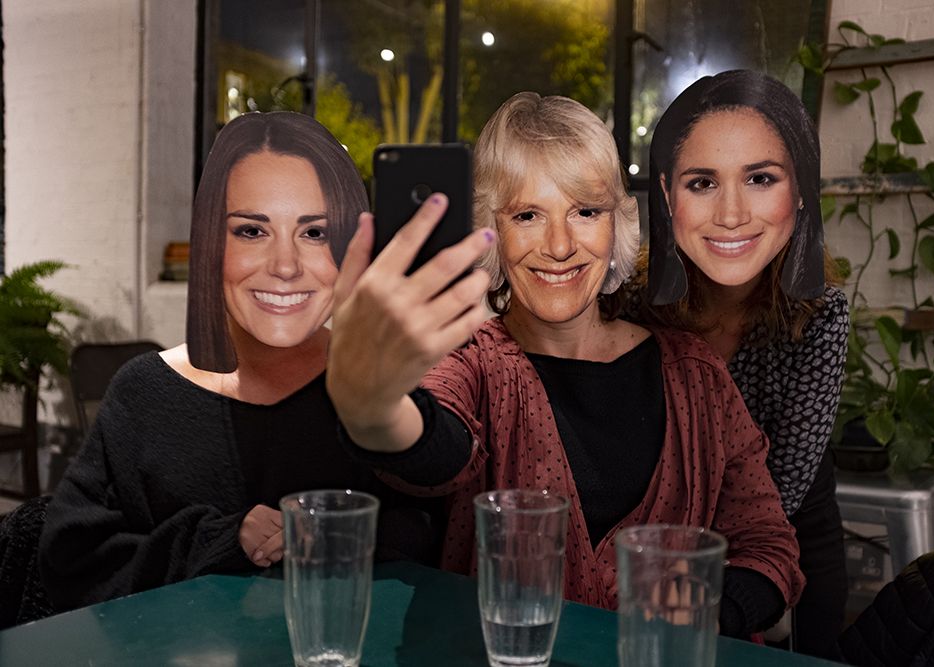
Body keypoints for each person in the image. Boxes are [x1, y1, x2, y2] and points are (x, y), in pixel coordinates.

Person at [326, 92, 805, 638]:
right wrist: (371, 407)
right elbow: (436, 447)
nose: (559, 246)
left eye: (585, 212)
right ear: (491, 232)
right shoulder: (472, 360)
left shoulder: (696, 376)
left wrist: (711, 613)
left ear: (616, 224)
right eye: (527, 215)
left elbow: (769, 547)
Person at [39, 111, 442, 611]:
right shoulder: (142, 394)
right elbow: (70, 560)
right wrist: (218, 539)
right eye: (252, 231)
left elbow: (435, 534)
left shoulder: (383, 389)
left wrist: (333, 535)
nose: (285, 266)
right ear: (211, 242)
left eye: (315, 233)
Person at [643, 69, 849, 659]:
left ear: (802, 189)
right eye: (702, 182)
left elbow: (776, 500)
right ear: (666, 195)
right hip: (651, 557)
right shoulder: (630, 305)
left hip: (790, 541)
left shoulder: (819, 314)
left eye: (760, 178)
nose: (731, 214)